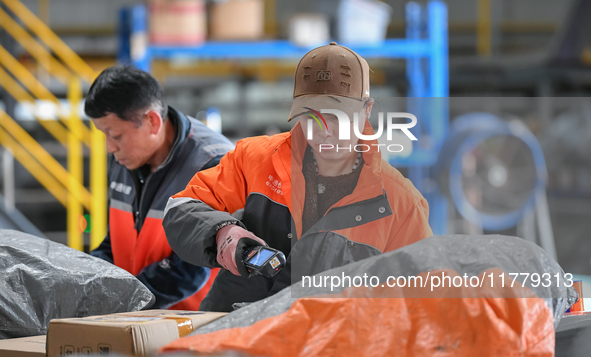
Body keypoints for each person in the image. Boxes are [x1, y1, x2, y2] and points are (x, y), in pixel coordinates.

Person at [163, 42, 433, 312]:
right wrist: (222, 233)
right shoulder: (254, 158)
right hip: (228, 339)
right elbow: (181, 208)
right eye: (311, 117)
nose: (323, 131)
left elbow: (426, 302)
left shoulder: (401, 204)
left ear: (367, 110)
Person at [85, 65, 234, 310]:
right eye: (104, 135)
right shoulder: (127, 158)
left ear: (153, 122)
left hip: (193, 326)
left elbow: (189, 271)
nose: (109, 147)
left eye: (115, 135)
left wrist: (120, 303)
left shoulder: (212, 165)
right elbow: (116, 244)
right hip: (138, 317)